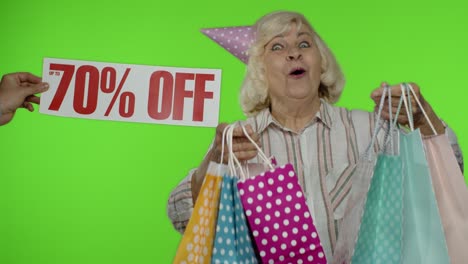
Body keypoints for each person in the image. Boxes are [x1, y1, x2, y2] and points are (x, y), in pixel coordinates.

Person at [167, 11, 463, 259]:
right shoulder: (238, 143)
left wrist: (425, 120)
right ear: (259, 69)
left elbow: (449, 174)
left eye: (304, 44)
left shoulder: (370, 129)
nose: (294, 52)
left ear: (321, 62)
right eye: (277, 47)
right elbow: (181, 215)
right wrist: (214, 162)